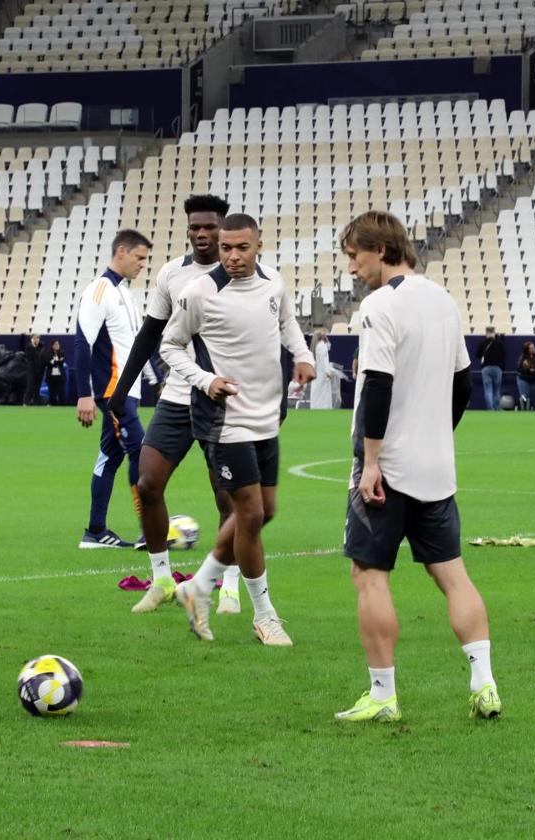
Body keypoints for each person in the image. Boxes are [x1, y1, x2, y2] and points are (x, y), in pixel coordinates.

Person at [335, 211, 496, 723]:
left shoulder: (381, 304)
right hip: (435, 468)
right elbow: (464, 384)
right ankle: (484, 684)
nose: (353, 269)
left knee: (370, 575)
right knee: (453, 576)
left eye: (355, 257)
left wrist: (373, 462)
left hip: (388, 468)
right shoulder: (444, 301)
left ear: (380, 250)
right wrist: (436, 433)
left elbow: (377, 384)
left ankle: (383, 696)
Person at [162, 213, 315, 646]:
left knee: (266, 512)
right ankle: (265, 616)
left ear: (258, 245)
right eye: (226, 248)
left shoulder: (274, 283)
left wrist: (302, 356)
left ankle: (197, 586)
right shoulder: (199, 293)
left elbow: (287, 322)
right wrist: (205, 380)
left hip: (268, 416)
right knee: (248, 514)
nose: (231, 256)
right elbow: (169, 345)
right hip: (225, 421)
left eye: (241, 248)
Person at [106, 195, 242, 610]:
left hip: (226, 399)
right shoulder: (172, 274)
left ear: (223, 228)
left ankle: (231, 585)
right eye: (195, 227)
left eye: (210, 227)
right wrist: (121, 390)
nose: (202, 234)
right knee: (148, 484)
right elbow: (151, 333)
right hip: (178, 396)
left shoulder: (243, 275)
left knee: (228, 497)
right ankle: (162, 579)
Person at [74, 229, 153, 549]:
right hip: (112, 393)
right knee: (142, 452)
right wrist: (84, 393)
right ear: (121, 252)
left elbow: (135, 346)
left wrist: (155, 379)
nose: (143, 264)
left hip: (128, 392)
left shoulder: (127, 295)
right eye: (140, 257)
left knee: (109, 457)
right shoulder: (100, 290)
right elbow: (82, 342)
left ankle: (95, 531)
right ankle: (150, 529)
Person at [476, 326, 505, 410]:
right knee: (497, 390)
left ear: (486, 332)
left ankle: (490, 408)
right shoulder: (500, 343)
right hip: (497, 368)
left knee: (488, 390)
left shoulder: (482, 343)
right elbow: (503, 356)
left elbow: (478, 355)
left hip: (486, 368)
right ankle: (496, 407)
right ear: (494, 332)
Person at [310, 329, 337, 409]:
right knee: (323, 395)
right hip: (322, 375)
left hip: (317, 374)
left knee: (317, 394)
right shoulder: (322, 346)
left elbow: (328, 347)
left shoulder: (316, 346)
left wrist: (327, 340)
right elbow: (324, 361)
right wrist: (327, 372)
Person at [516, 342, 535, 410]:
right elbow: (519, 369)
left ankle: (534, 411)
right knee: (524, 396)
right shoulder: (522, 358)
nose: (533, 349)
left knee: (534, 397)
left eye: (534, 347)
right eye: (531, 348)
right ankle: (523, 410)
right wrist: (528, 370)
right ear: (527, 349)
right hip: (523, 379)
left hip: (534, 379)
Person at [23, 334, 47, 405]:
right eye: (34, 338)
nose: (36, 340)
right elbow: (29, 357)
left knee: (37, 388)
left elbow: (44, 357)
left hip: (40, 370)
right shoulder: (29, 348)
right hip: (31, 371)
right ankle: (25, 402)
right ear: (31, 340)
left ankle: (36, 403)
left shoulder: (42, 347)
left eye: (37, 338)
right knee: (30, 387)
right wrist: (34, 347)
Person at [46, 339, 66, 405]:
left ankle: (63, 406)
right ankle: (53, 405)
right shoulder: (48, 353)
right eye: (56, 344)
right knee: (52, 393)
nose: (58, 345)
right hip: (51, 376)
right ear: (52, 346)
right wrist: (57, 361)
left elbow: (61, 362)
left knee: (61, 393)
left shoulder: (61, 352)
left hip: (60, 376)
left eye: (58, 344)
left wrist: (55, 361)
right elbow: (49, 363)